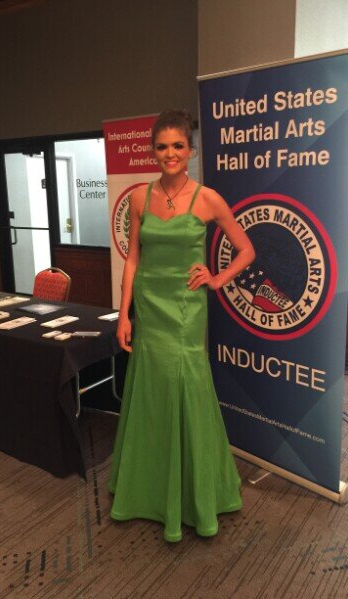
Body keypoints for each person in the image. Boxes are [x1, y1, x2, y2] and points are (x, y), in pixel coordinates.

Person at [108, 109, 255, 542]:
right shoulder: (139, 198)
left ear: (190, 151)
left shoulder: (208, 198)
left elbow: (246, 250)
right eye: (161, 146)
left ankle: (193, 493)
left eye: (177, 146)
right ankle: (148, 488)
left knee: (185, 386)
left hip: (187, 308)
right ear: (152, 151)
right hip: (148, 307)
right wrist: (124, 314)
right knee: (151, 389)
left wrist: (217, 279)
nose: (169, 153)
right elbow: (132, 258)